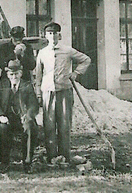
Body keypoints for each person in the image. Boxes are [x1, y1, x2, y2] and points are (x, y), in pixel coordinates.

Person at [35, 22, 91, 164]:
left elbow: (86, 60)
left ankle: (64, 155)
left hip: (64, 91)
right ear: (45, 35)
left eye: (55, 33)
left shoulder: (67, 50)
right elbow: (38, 76)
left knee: (64, 124)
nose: (52, 36)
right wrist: (39, 94)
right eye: (50, 33)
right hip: (48, 92)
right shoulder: (42, 53)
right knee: (49, 125)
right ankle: (52, 156)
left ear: (59, 35)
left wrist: (76, 73)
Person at [0, 60, 39, 174]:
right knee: (1, 128)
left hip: (22, 118)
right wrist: (0, 116)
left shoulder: (27, 86)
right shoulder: (3, 85)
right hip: (7, 118)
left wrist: (28, 116)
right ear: (8, 74)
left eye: (16, 74)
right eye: (11, 74)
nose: (14, 76)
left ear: (21, 73)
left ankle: (27, 162)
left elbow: (33, 104)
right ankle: (4, 162)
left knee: (30, 127)